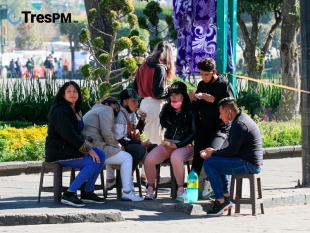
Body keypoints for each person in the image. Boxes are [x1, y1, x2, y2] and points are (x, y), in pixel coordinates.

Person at [45, 81, 106, 207]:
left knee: (101, 155)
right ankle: (69, 193)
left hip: (70, 147)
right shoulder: (60, 110)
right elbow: (69, 135)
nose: (72, 94)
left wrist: (89, 144)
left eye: (75, 91)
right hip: (59, 150)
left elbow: (77, 133)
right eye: (69, 91)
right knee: (93, 161)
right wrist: (88, 149)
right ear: (63, 94)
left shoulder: (74, 110)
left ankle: (87, 192)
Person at [200, 97, 263, 216]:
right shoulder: (240, 120)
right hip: (246, 160)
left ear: (229, 112)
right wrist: (215, 152)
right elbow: (232, 150)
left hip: (249, 164)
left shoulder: (239, 124)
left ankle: (221, 201)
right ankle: (225, 195)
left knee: (209, 163)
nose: (220, 116)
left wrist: (212, 153)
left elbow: (232, 151)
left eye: (221, 113)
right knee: (217, 160)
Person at [82, 96, 144, 201]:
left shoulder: (95, 109)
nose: (115, 112)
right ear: (107, 104)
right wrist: (116, 146)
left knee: (122, 154)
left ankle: (110, 182)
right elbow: (106, 133)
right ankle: (127, 192)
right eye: (115, 108)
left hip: (87, 146)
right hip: (94, 147)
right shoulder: (106, 109)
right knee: (127, 157)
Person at [144, 82, 198, 201]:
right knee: (149, 159)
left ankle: (180, 189)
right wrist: (169, 144)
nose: (173, 97)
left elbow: (194, 133)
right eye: (171, 94)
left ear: (183, 96)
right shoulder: (166, 108)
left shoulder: (191, 110)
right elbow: (164, 125)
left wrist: (178, 145)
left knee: (175, 157)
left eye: (176, 94)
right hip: (168, 143)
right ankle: (151, 188)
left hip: (185, 145)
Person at [189, 57, 234, 199]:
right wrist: (195, 100)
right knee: (198, 157)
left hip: (220, 128)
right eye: (201, 74)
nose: (204, 77)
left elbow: (231, 108)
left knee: (211, 154)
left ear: (214, 72)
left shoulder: (224, 85)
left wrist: (214, 100)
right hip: (204, 127)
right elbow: (198, 108)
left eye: (206, 74)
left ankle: (212, 187)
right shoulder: (202, 85)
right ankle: (192, 189)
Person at [133, 41, 175, 185]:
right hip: (156, 106)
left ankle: (146, 176)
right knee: (156, 142)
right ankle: (151, 178)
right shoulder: (160, 67)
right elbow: (158, 93)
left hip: (144, 104)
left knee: (148, 140)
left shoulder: (143, 65)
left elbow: (135, 87)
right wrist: (169, 90)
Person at [110, 88, 157, 191]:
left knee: (155, 148)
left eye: (137, 100)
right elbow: (120, 139)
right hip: (117, 147)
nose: (137, 103)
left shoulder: (131, 112)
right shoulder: (118, 114)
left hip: (129, 144)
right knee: (139, 149)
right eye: (134, 101)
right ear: (125, 102)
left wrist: (142, 120)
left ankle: (151, 182)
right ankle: (127, 179)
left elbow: (137, 132)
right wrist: (140, 143)